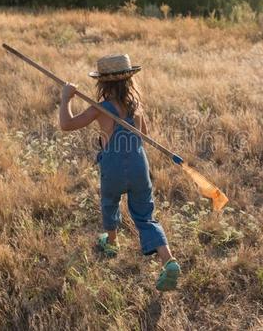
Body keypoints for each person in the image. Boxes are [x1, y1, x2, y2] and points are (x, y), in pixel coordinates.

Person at [58, 53, 180, 291]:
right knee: (145, 215)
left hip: (112, 166)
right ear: (129, 81)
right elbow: (143, 135)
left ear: (102, 83)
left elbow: (67, 125)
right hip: (138, 164)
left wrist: (65, 99)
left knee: (110, 201)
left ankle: (112, 242)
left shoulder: (100, 108)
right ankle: (169, 261)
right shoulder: (137, 107)